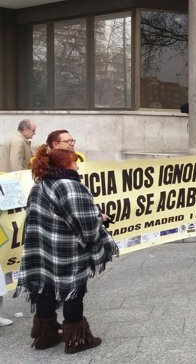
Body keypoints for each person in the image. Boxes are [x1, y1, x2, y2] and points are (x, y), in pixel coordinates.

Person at [15, 146, 117, 353]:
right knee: (73, 290)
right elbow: (86, 222)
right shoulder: (70, 186)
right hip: (67, 249)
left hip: (42, 248)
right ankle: (77, 340)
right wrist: (99, 221)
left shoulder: (39, 186)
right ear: (65, 165)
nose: (78, 165)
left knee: (45, 289)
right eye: (74, 162)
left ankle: (46, 336)